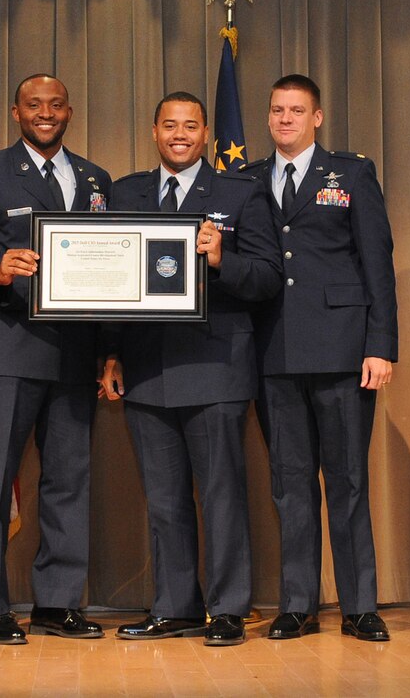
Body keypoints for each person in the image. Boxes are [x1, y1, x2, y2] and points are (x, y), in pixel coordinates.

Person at [101, 92, 281, 646]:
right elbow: (109, 281)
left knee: (223, 493)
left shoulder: (240, 191)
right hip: (146, 368)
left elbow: (268, 277)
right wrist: (109, 352)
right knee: (165, 499)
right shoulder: (125, 192)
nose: (180, 134)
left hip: (216, 365)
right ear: (154, 131)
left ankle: (228, 609)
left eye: (191, 126)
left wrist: (223, 259)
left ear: (206, 134)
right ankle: (175, 606)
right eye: (169, 125)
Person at [0, 74, 112, 644]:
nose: (45, 114)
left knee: (69, 480)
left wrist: (108, 351)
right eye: (33, 105)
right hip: (9, 348)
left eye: (55, 105)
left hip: (75, 355)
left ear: (69, 110)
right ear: (16, 113)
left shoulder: (96, 178)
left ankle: (57, 604)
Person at [243, 74, 398, 642]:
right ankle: (297, 605)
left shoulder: (352, 173)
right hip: (275, 352)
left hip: (341, 351)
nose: (285, 119)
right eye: (277, 110)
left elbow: (376, 262)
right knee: (290, 484)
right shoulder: (248, 180)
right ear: (268, 118)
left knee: (349, 481)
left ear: (317, 117)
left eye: (297, 110)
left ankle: (360, 606)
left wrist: (381, 344)